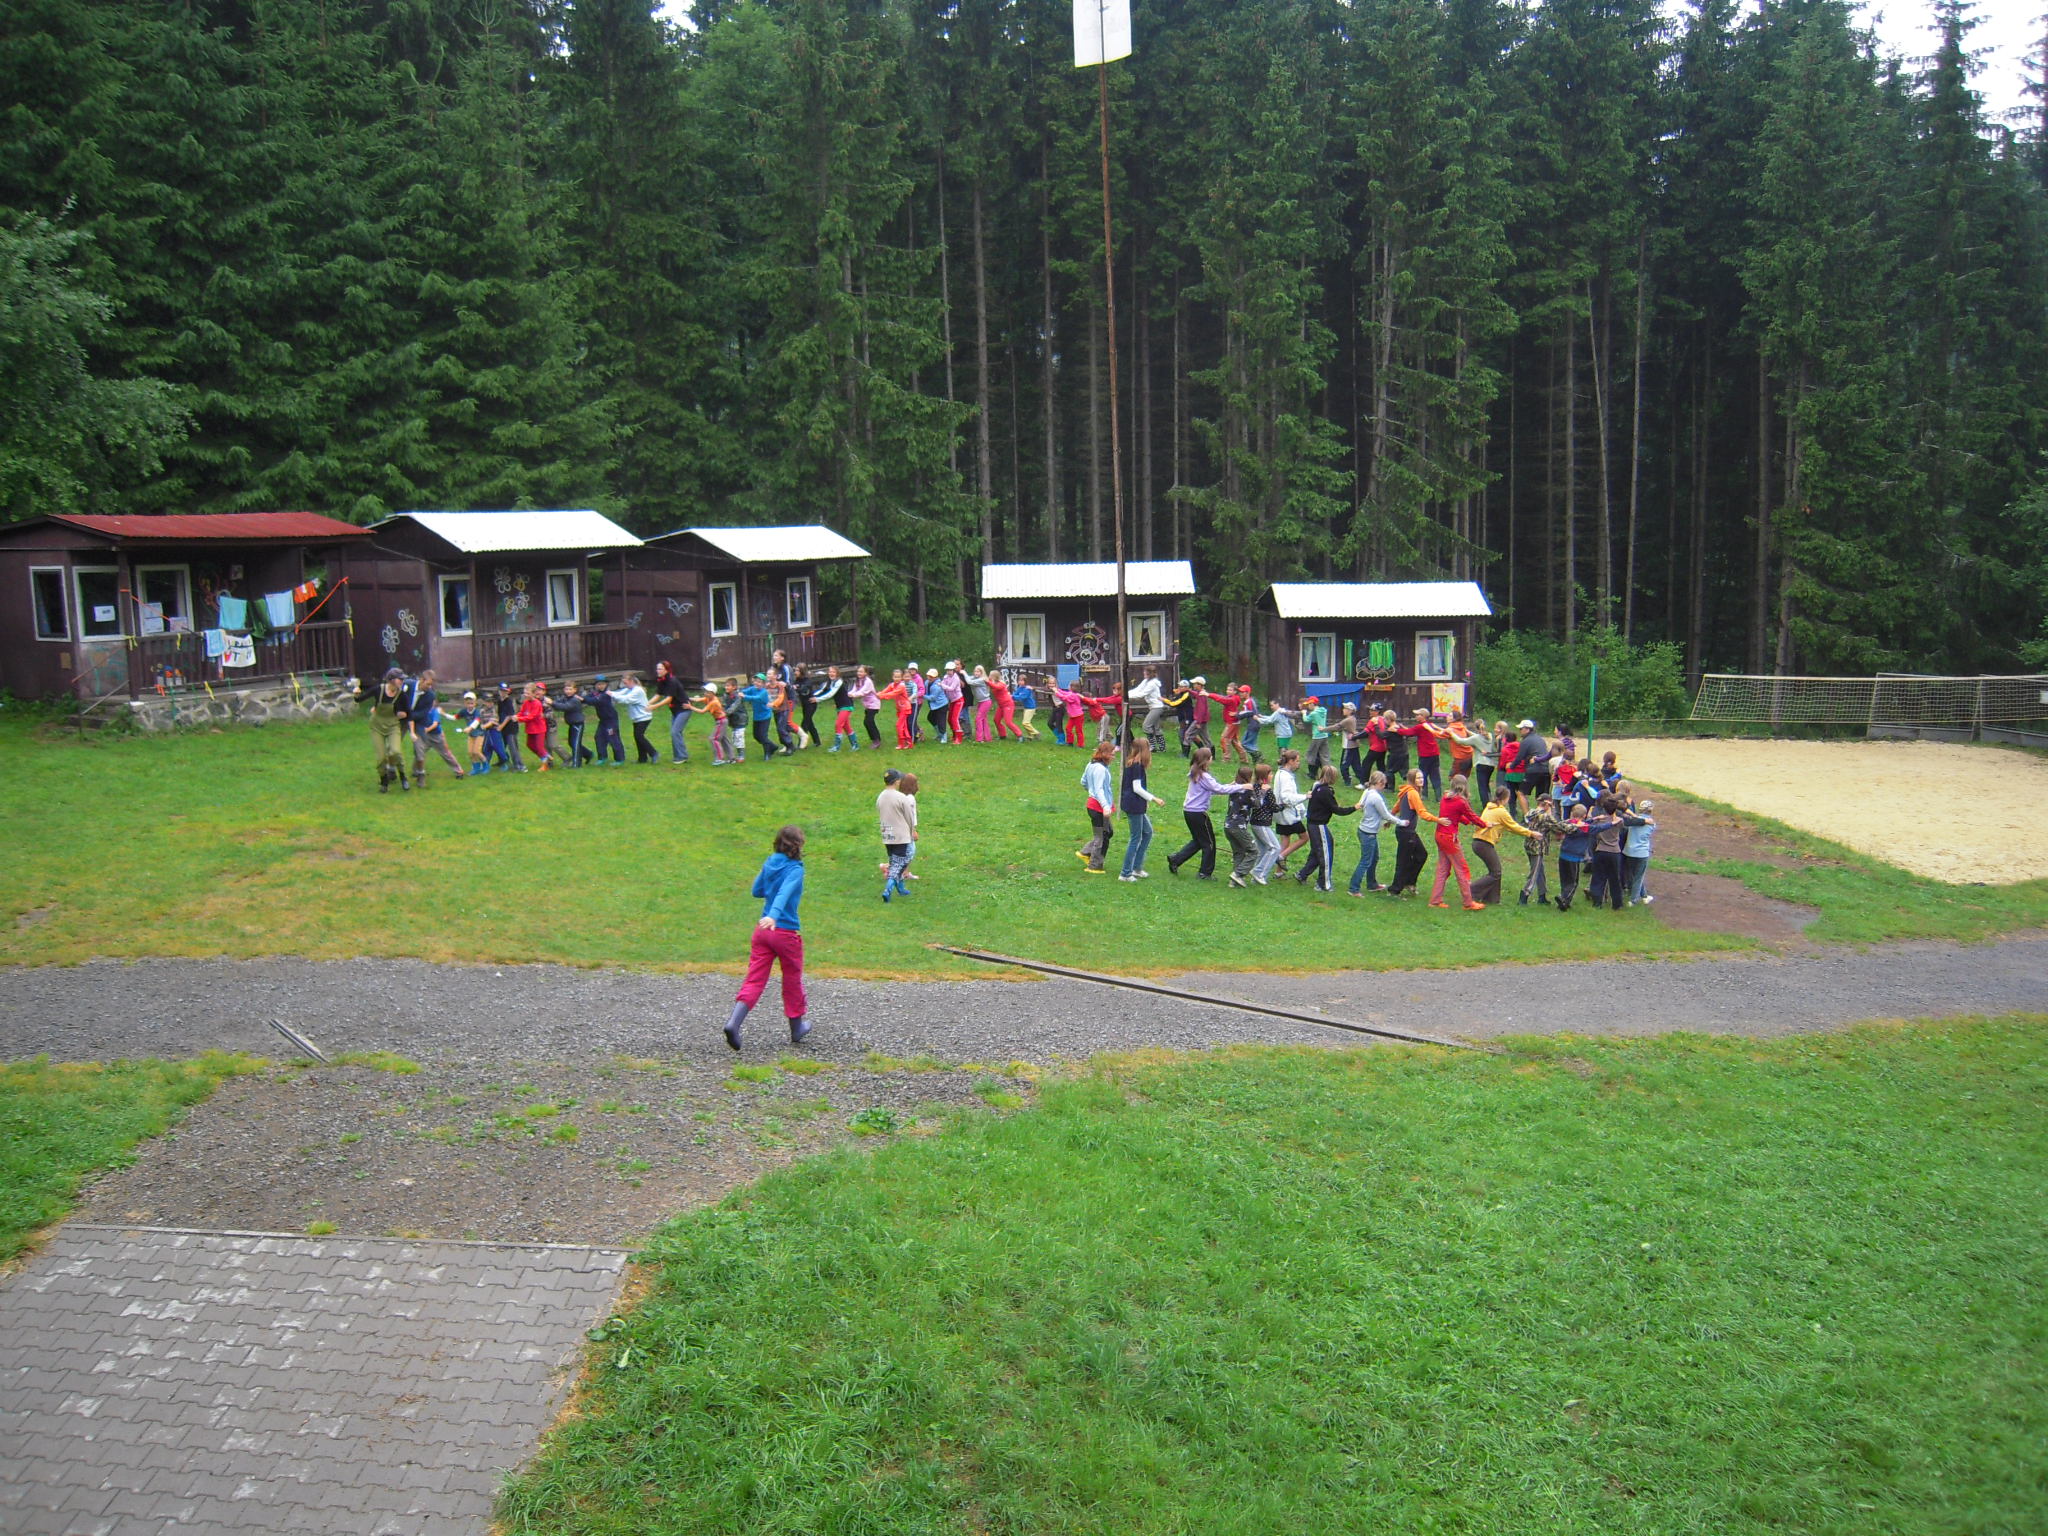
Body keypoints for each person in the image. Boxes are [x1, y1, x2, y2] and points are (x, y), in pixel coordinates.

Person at [724, 825, 810, 1050]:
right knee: (792, 979)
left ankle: (733, 1023)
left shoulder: (770, 862)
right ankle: (797, 1028)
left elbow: (757, 890)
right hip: (785, 932)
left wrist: (770, 882)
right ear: (798, 845)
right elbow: (784, 893)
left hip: (762, 932)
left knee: (754, 979)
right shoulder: (795, 869)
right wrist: (774, 915)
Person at [1166, 747, 1246, 879]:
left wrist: (1231, 786)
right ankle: (1205, 873)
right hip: (1198, 814)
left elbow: (1212, 789)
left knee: (1199, 840)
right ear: (1206, 760)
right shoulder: (1204, 776)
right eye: (1211, 757)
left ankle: (1176, 860)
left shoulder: (1195, 773)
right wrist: (1242, 786)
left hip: (1189, 812)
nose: (1212, 759)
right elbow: (1219, 789)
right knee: (1209, 843)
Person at [1427, 774, 1487, 910]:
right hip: (1449, 838)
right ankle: (1468, 902)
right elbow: (1471, 815)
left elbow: (1455, 815)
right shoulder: (1461, 801)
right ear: (1464, 786)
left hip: (1439, 835)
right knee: (1462, 869)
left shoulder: (1445, 797)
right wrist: (1484, 824)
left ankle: (1435, 900)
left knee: (1443, 868)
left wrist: (1467, 822)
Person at [1296, 764, 1359, 893]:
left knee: (1318, 851)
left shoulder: (1317, 786)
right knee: (1326, 854)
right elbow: (1337, 810)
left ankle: (1302, 874)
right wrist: (1354, 808)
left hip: (1313, 824)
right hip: (1318, 825)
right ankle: (1323, 884)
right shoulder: (1326, 791)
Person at [1471, 788, 1534, 905]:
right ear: (1506, 798)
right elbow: (1513, 826)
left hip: (1478, 842)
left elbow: (1508, 826)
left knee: (1495, 871)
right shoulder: (1501, 811)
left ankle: (1492, 899)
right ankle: (1471, 891)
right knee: (1496, 872)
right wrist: (1531, 833)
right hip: (1484, 843)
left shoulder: (1489, 807)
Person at [405, 670, 465, 785]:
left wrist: (426, 729)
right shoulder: (421, 705)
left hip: (436, 736)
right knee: (419, 753)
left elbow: (435, 724)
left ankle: (459, 771)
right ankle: (416, 771)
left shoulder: (435, 711)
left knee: (445, 753)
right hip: (425, 734)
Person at [1118, 740, 1166, 881]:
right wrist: (1154, 799)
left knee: (1148, 832)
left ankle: (1136, 868)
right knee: (1135, 838)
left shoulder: (1134, 764)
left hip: (1135, 804)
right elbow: (1137, 788)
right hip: (1134, 806)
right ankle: (1125, 873)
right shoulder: (1136, 766)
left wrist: (1144, 801)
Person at [357, 668, 411, 792]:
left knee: (395, 752)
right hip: (377, 726)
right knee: (381, 758)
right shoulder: (379, 690)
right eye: (400, 679)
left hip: (393, 726)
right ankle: (384, 781)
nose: (402, 681)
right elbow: (360, 699)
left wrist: (403, 714)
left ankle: (403, 776)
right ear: (391, 680)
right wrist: (356, 694)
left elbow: (409, 713)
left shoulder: (402, 695)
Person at [1384, 769, 1431, 897]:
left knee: (1421, 855)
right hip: (1406, 832)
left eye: (1422, 777)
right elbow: (1422, 812)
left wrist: (1390, 819)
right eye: (1418, 778)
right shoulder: (1412, 793)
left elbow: (1397, 806)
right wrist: (1439, 820)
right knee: (1403, 861)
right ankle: (1394, 890)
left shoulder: (1408, 791)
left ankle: (1409, 882)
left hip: (1407, 831)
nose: (1421, 780)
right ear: (1412, 780)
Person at [1347, 770, 1394, 896]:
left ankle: (1372, 884)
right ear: (1379, 783)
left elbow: (1362, 805)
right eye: (1384, 784)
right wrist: (1401, 822)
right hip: (1368, 833)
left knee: (1374, 857)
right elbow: (1385, 814)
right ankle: (1353, 888)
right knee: (1365, 861)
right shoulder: (1375, 796)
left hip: (1365, 831)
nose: (1384, 787)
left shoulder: (1368, 792)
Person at [878, 769, 918, 901]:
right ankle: (888, 888)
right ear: (896, 781)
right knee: (900, 863)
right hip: (900, 835)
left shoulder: (880, 797)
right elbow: (909, 817)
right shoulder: (901, 797)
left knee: (893, 861)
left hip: (887, 835)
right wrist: (911, 831)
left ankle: (901, 888)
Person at [1078, 742, 1117, 873]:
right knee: (1102, 837)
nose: (1114, 757)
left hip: (1095, 805)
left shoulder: (1091, 764)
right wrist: (1105, 806)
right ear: (1105, 754)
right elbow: (1099, 789)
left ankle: (1086, 852)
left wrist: (1091, 791)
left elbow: (1083, 781)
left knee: (1107, 832)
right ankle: (1094, 866)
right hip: (1098, 807)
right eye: (1112, 754)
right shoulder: (1100, 769)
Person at [1586, 794, 1628, 910]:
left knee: (1598, 877)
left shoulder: (1600, 820)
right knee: (1615, 878)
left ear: (1604, 808)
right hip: (1614, 851)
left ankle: (1597, 902)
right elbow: (1622, 828)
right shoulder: (1619, 821)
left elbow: (1592, 830)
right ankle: (1617, 904)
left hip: (1601, 849)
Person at [1272, 749, 1309, 873]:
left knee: (1285, 839)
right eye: (1297, 761)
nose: (1298, 763)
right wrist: (1305, 796)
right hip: (1288, 814)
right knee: (1304, 837)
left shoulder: (1280, 773)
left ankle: (1278, 872)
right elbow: (1286, 797)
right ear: (1290, 761)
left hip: (1280, 813)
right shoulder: (1286, 777)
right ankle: (1280, 857)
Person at [1221, 765, 1259, 887]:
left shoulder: (1233, 788)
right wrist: (1256, 790)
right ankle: (1238, 874)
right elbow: (1257, 804)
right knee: (1253, 851)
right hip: (1238, 827)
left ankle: (1234, 882)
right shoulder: (1248, 790)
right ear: (1249, 777)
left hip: (1228, 825)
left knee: (1239, 852)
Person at [1520, 796, 1562, 906]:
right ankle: (1524, 895)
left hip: (1529, 845)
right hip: (1538, 847)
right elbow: (1558, 827)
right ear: (1547, 804)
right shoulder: (1545, 816)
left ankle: (1542, 895)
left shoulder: (1530, 812)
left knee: (1540, 871)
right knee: (1534, 873)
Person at [1247, 763, 1282, 884]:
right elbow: (1274, 807)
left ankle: (1255, 880)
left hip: (1254, 823)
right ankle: (1259, 873)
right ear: (1264, 776)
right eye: (1270, 773)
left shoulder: (1254, 787)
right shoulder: (1267, 790)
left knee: (1262, 850)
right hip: (1262, 824)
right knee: (1275, 848)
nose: (1272, 775)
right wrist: (1283, 806)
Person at [1554, 804, 1593, 911]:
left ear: (1572, 813)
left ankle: (1565, 900)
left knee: (1564, 879)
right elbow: (1593, 827)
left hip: (1563, 855)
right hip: (1574, 857)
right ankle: (1564, 899)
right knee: (1573, 882)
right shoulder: (1584, 828)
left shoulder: (1568, 824)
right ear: (1584, 815)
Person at [651, 660, 691, 764]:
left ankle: (682, 756)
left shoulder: (672, 681)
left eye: (660, 669)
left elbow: (668, 699)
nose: (657, 671)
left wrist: (654, 706)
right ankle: (678, 756)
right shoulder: (661, 680)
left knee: (675, 732)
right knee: (675, 732)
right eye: (657, 669)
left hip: (684, 709)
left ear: (666, 670)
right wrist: (647, 703)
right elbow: (658, 695)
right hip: (675, 711)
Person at [614, 673, 657, 764]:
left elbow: (626, 699)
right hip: (637, 718)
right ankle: (642, 758)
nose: (625, 685)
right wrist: (610, 693)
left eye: (626, 683)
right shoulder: (630, 689)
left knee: (639, 736)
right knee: (637, 737)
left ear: (631, 681)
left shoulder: (637, 690)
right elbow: (619, 693)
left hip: (644, 717)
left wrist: (611, 695)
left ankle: (653, 753)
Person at [1621, 797, 1656, 904]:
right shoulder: (1652, 824)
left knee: (1633, 875)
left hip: (1629, 851)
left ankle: (1644, 896)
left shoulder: (1632, 820)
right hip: (1642, 853)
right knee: (1639, 877)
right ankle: (1634, 900)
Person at [553, 680, 593, 767]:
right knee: (571, 743)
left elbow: (565, 707)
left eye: (570, 689)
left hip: (578, 724)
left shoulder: (575, 700)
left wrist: (552, 703)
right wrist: (553, 704)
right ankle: (588, 754)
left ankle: (576, 763)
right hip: (571, 724)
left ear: (575, 690)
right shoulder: (565, 698)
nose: (568, 691)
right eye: (566, 689)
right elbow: (558, 704)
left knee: (575, 744)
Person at [690, 684, 733, 765]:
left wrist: (690, 707)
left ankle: (719, 759)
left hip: (721, 721)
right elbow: (698, 699)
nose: (705, 693)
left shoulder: (714, 702)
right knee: (724, 739)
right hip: (722, 720)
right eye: (705, 692)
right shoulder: (708, 698)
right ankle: (732, 758)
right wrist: (688, 699)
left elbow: (702, 711)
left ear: (713, 693)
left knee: (714, 739)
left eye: (707, 692)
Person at [516, 681, 554, 770]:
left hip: (539, 728)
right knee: (530, 745)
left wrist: (519, 719)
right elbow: (522, 712)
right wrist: (516, 716)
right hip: (530, 728)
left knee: (539, 747)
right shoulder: (526, 702)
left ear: (533, 693)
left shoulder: (537, 703)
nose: (525, 695)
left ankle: (545, 765)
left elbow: (531, 717)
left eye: (528, 693)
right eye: (524, 693)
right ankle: (545, 755)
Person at [740, 674, 779, 759]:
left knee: (763, 736)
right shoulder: (752, 689)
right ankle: (773, 746)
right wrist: (739, 692)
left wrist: (745, 696)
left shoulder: (764, 692)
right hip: (757, 716)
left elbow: (756, 698)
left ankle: (767, 754)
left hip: (765, 716)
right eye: (756, 681)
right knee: (756, 736)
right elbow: (744, 691)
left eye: (759, 682)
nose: (757, 683)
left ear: (763, 684)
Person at [1129, 667, 1166, 749]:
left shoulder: (1152, 683)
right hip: (1153, 707)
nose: (1144, 674)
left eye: (1145, 673)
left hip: (1157, 707)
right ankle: (1162, 748)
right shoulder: (1146, 681)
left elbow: (1141, 694)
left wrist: (1127, 696)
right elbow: (1138, 690)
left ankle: (1152, 747)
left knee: (1146, 726)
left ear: (1150, 674)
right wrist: (1126, 693)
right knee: (1156, 728)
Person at [493, 681, 526, 772]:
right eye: (501, 690)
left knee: (513, 747)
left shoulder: (509, 701)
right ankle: (503, 761)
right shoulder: (500, 701)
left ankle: (519, 765)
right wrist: (497, 722)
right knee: (500, 745)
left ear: (508, 691)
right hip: (503, 727)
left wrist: (501, 726)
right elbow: (500, 714)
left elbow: (509, 716)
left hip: (511, 728)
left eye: (505, 691)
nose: (503, 692)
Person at [458, 691, 491, 775]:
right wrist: (444, 714)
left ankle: (486, 765)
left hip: (479, 734)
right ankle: (476, 768)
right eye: (468, 703)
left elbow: (477, 721)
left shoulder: (477, 712)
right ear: (465, 703)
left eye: (472, 703)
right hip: (471, 735)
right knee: (470, 752)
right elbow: (455, 717)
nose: (470, 705)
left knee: (476, 751)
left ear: (475, 703)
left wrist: (469, 728)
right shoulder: (464, 711)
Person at [850, 664, 882, 747]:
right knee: (869, 722)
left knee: (868, 721)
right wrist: (848, 694)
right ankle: (877, 739)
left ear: (866, 673)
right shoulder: (858, 680)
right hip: (867, 705)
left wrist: (853, 695)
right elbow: (854, 690)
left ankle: (876, 740)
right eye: (858, 671)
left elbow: (862, 692)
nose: (859, 673)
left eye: (861, 672)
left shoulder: (868, 681)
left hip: (874, 704)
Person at [1335, 703, 1364, 786]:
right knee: (1356, 765)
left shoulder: (1348, 720)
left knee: (1343, 765)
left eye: (1345, 708)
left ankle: (1347, 779)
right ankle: (1363, 780)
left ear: (1350, 711)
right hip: (1354, 746)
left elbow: (1336, 727)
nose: (1343, 710)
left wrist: (1323, 729)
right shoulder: (1353, 719)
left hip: (1348, 746)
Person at [1300, 696, 1331, 774]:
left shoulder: (1313, 713)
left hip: (1317, 736)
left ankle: (1312, 773)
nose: (1308, 706)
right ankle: (1328, 772)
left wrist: (1304, 713)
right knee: (1325, 756)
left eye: (1309, 704)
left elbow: (1306, 720)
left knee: (1311, 754)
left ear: (1312, 704)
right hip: (1324, 735)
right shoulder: (1323, 711)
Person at [989, 668, 1020, 740]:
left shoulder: (1001, 683)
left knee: (1008, 722)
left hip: (1008, 704)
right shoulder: (993, 682)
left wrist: (987, 681)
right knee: (996, 720)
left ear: (994, 676)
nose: (989, 676)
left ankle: (1020, 735)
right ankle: (1002, 735)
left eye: (990, 675)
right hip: (1001, 705)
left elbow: (996, 687)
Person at [967, 665, 994, 743]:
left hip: (986, 702)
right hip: (980, 702)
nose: (976, 673)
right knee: (983, 719)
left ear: (982, 672)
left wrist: (964, 673)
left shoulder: (982, 680)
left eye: (978, 671)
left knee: (978, 719)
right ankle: (987, 738)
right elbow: (970, 678)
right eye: (975, 671)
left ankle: (979, 739)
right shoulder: (976, 678)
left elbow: (969, 681)